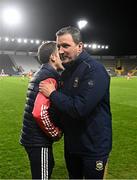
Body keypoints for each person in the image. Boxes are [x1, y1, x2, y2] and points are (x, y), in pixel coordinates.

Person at [39, 26, 112, 179]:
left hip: (93, 147)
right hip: (72, 146)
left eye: (65, 45)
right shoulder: (66, 71)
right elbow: (61, 108)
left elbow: (80, 108)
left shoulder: (94, 70)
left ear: (80, 46)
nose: (60, 51)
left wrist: (52, 93)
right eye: (58, 46)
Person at [20, 41, 64, 179]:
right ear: (53, 57)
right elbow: (39, 113)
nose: (62, 55)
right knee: (42, 176)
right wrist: (54, 132)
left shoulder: (41, 73)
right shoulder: (48, 77)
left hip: (31, 137)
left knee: (46, 169)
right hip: (38, 140)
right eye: (59, 54)